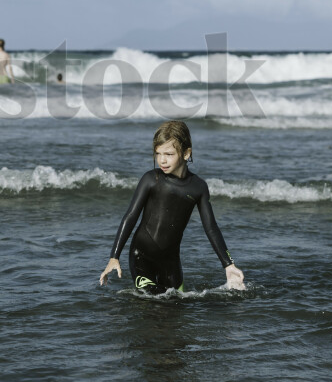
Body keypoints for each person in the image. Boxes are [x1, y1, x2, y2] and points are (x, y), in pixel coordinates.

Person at [99, 120, 245, 294]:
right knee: (152, 303)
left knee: (176, 307)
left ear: (186, 153)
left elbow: (211, 228)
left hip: (171, 261)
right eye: (158, 153)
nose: (162, 160)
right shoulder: (151, 180)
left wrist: (228, 265)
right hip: (142, 256)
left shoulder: (198, 187)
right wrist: (114, 256)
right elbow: (130, 216)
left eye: (169, 154)